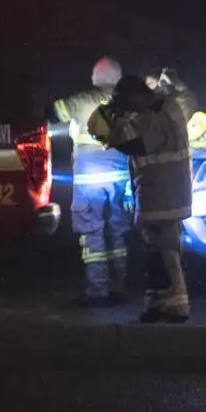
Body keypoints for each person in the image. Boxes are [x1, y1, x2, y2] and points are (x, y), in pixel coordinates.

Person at [89, 75, 193, 323]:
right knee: (155, 252)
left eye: (123, 100)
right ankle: (159, 304)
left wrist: (110, 134)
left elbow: (138, 145)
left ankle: (176, 306)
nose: (122, 106)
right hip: (157, 191)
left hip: (164, 193)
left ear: (136, 95)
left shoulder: (160, 113)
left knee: (166, 252)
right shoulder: (158, 110)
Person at [52, 59, 131, 306]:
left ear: (95, 77)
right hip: (120, 176)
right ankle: (119, 287)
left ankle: (98, 290)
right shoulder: (128, 102)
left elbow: (54, 112)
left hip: (89, 179)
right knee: (118, 233)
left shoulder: (83, 99)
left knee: (92, 233)